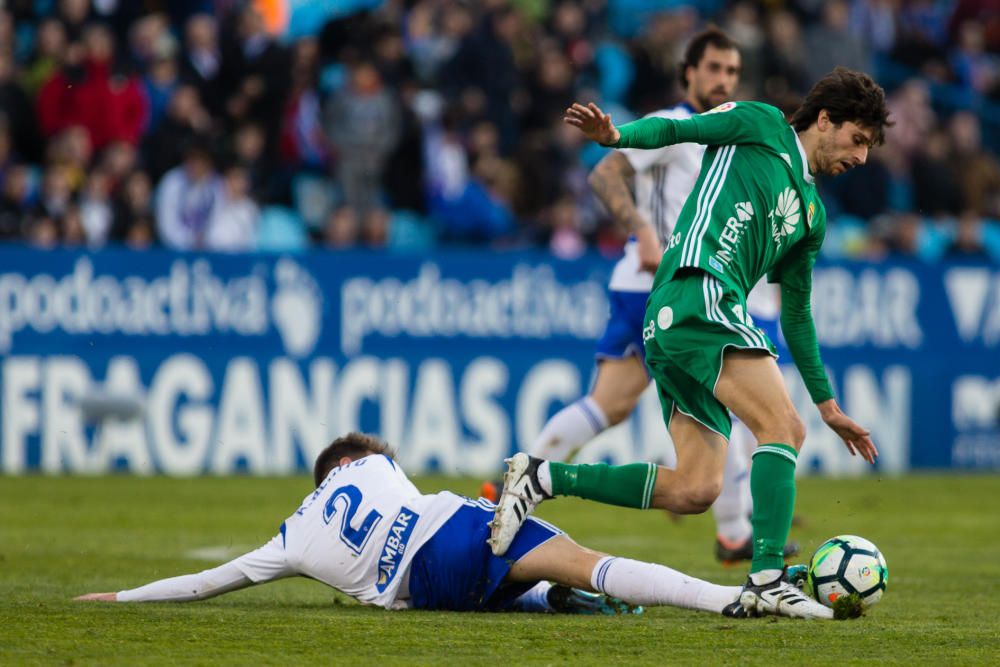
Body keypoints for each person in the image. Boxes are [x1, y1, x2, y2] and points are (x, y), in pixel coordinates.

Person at [490, 67, 888, 619]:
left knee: (695, 489)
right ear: (825, 120)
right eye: (858, 140)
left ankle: (541, 475)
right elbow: (681, 131)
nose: (862, 157)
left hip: (685, 320)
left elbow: (797, 312)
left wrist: (829, 405)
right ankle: (768, 577)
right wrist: (618, 137)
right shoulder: (762, 124)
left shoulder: (813, 218)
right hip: (698, 292)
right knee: (782, 428)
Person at [481, 27, 796, 565]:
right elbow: (606, 172)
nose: (723, 80)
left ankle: (511, 485)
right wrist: (643, 232)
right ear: (689, 72)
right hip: (654, 284)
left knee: (615, 405)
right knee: (731, 405)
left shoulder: (721, 135)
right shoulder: (675, 127)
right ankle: (734, 532)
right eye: (714, 68)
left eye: (731, 71)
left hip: (682, 289)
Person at [75, 432, 813, 619]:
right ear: (352, 458)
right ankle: (732, 599)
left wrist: (124, 599)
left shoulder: (289, 538)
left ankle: (550, 598)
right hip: (448, 530)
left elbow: (211, 581)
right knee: (584, 558)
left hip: (425, 588)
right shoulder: (377, 468)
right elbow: (387, 463)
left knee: (509, 587)